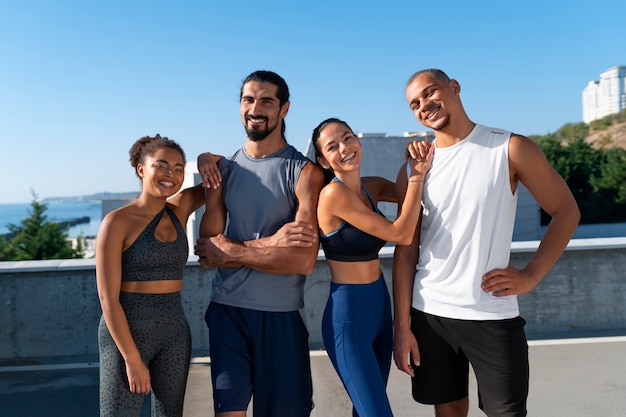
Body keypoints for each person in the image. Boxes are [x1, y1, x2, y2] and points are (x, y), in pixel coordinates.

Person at [392, 69, 581, 417]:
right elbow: (406, 251)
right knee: (448, 408)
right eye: (414, 104)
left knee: (506, 413)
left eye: (430, 93)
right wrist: (401, 326)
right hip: (430, 312)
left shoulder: (509, 147)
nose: (424, 106)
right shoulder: (414, 169)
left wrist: (531, 275)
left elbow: (566, 211)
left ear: (454, 87)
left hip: (492, 314)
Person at [194, 70, 325, 417]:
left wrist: (234, 250)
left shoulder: (305, 172)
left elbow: (302, 261)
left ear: (284, 109)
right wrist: (272, 244)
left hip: (280, 316)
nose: (256, 108)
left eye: (267, 100)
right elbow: (208, 253)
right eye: (248, 99)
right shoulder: (223, 171)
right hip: (227, 312)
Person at [311, 117, 433, 417]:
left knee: (365, 410)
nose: (345, 147)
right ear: (323, 161)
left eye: (348, 137)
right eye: (333, 146)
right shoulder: (332, 195)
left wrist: (415, 158)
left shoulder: (371, 187)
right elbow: (401, 233)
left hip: (380, 305)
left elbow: (414, 197)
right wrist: (416, 176)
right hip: (349, 317)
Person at [96, 134, 207, 417]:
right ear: (141, 169)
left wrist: (206, 158)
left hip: (174, 329)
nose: (171, 174)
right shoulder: (117, 221)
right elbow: (108, 299)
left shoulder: (179, 209)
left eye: (179, 168)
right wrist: (131, 359)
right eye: (161, 166)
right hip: (127, 331)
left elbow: (222, 175)